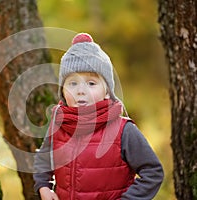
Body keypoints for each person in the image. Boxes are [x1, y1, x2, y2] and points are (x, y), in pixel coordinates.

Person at [33, 33, 164, 200]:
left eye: (91, 83)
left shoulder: (124, 131)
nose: (81, 90)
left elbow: (153, 172)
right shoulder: (58, 124)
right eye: (73, 83)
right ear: (63, 92)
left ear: (107, 92)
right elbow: (43, 157)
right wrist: (43, 186)